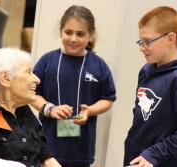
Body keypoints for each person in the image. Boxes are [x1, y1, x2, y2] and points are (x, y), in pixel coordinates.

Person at [31, 5, 116, 167]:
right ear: (60, 32)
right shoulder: (47, 62)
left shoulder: (99, 66)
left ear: (90, 35)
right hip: (46, 147)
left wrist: (89, 110)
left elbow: (108, 99)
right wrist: (50, 109)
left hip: (81, 149)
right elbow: (32, 95)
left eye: (80, 34)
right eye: (68, 32)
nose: (73, 39)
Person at [124, 6, 177, 167]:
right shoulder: (146, 70)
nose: (142, 47)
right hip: (137, 156)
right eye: (141, 41)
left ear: (171, 38)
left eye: (147, 41)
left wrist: (156, 152)